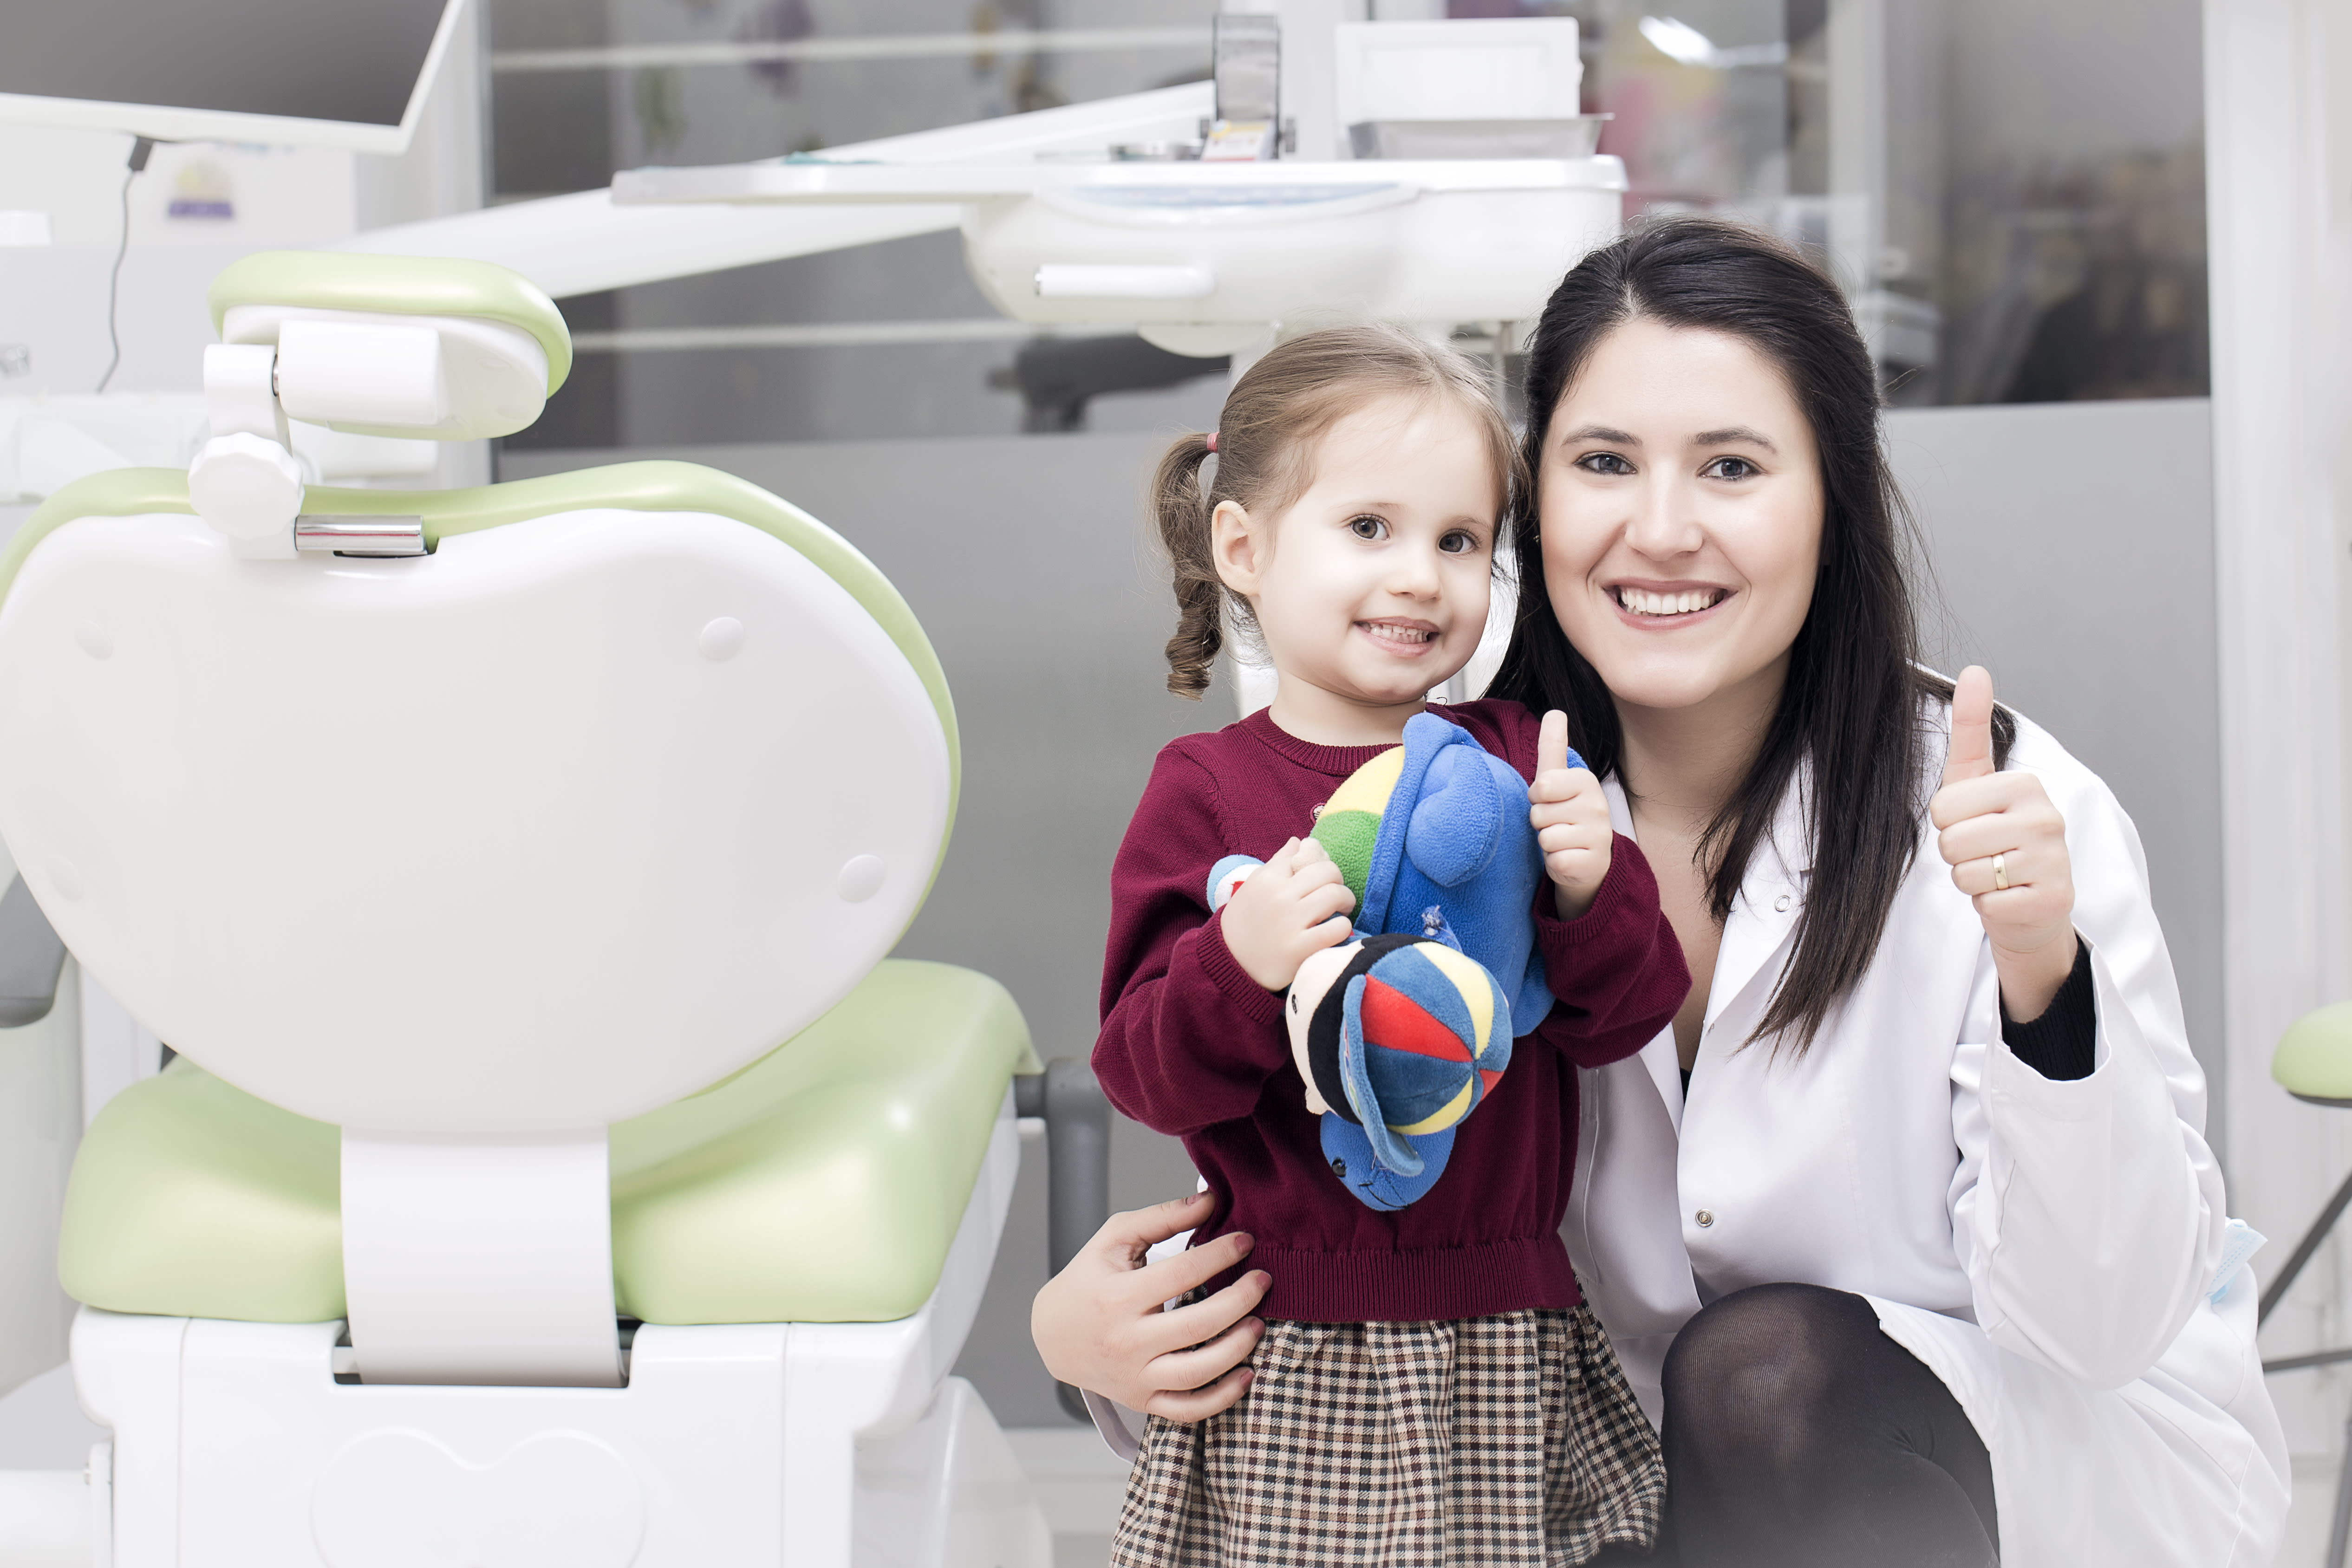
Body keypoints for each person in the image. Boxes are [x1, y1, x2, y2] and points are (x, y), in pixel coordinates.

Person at [1034, 219, 2288, 1568]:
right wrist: (1080, 1344)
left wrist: (2044, 976)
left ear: (1833, 496)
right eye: (1602, 464)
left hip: (1984, 1470)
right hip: (1579, 1478)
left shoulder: (1998, 804)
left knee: (1765, 1373)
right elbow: (1329, 1178)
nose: (1662, 529)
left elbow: (2102, 1321)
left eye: (1733, 467)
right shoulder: (1450, 808)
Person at [1095, 321, 1692, 1567]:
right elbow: (1144, 1071)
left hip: (1511, 1325)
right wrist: (1237, 960)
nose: (1420, 576)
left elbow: (1619, 1019)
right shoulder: (1203, 789)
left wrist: (1591, 887)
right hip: (1287, 1344)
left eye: (1458, 540)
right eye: (1369, 529)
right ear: (1244, 548)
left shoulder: (1519, 755)